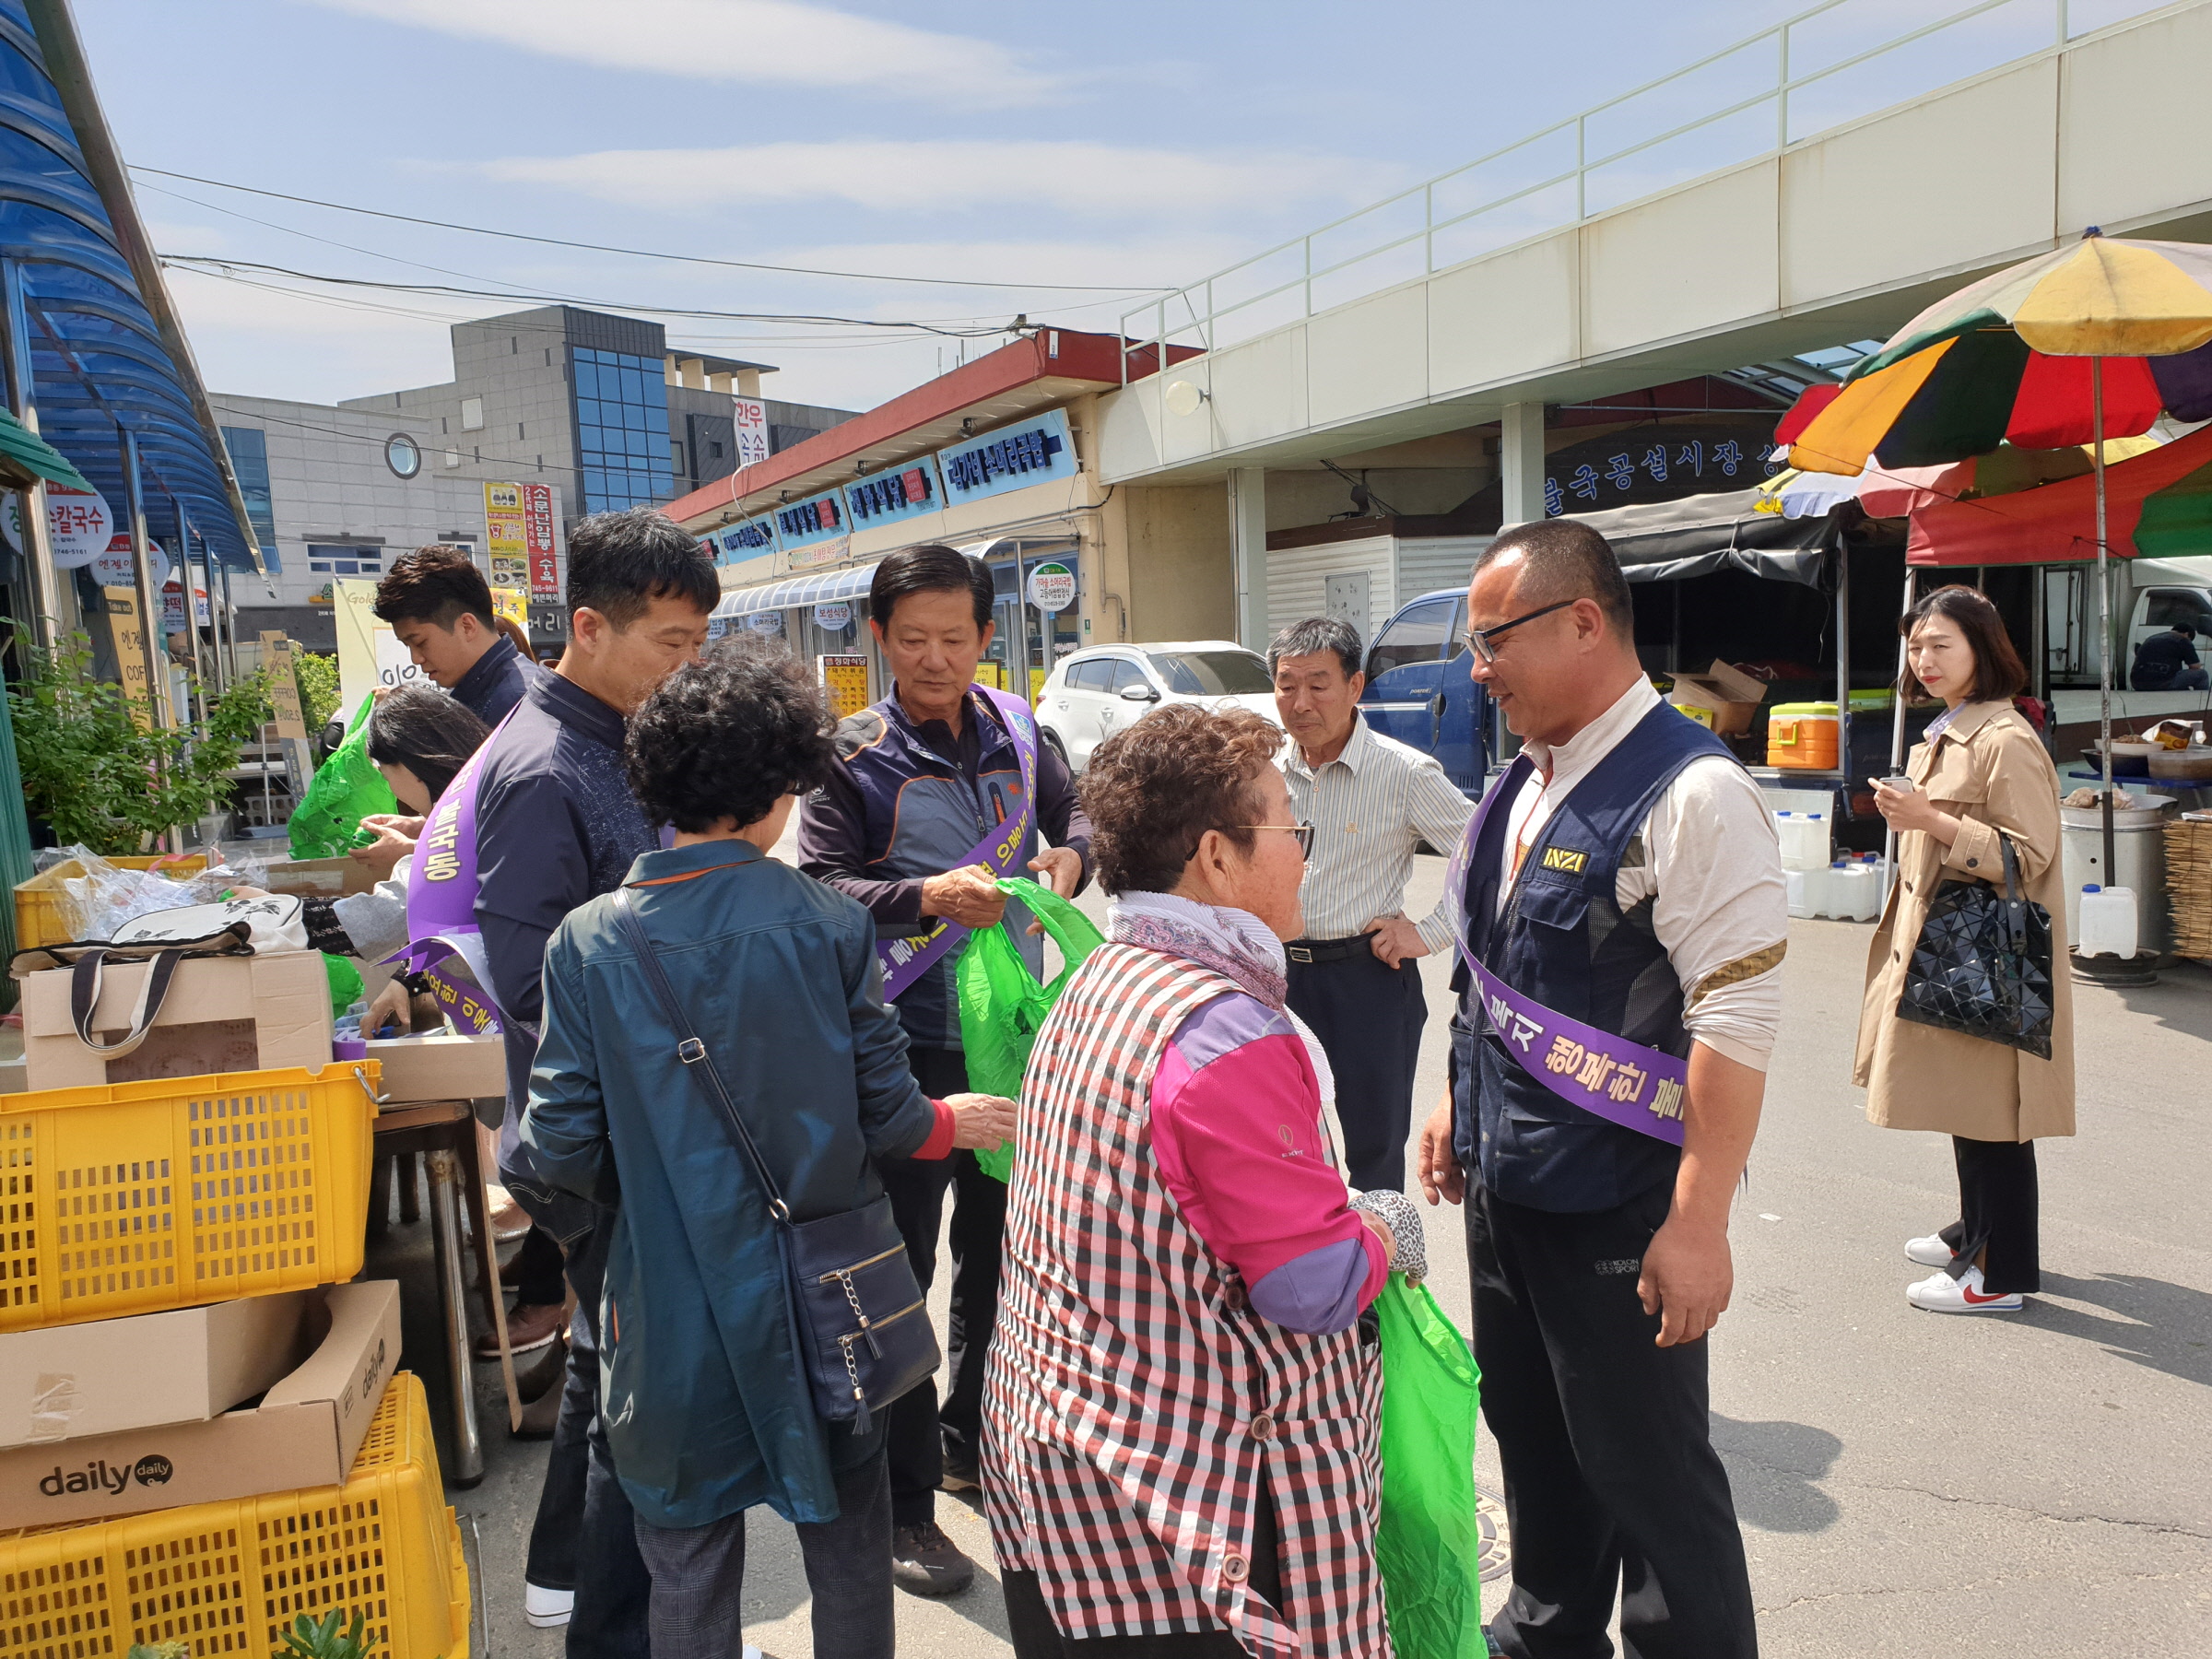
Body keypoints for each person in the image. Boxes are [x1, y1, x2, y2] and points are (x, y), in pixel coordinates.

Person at [522, 644, 1018, 1659]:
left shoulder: (587, 939)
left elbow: (557, 1145)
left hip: (665, 1305)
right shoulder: (830, 924)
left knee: (689, 1558)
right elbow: (889, 1117)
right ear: (779, 788)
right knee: (846, 1534)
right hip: (828, 1299)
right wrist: (950, 1121)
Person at [1414, 519, 1783, 1659]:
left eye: (1494, 640)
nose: (1480, 670)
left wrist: (1699, 1225)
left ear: (1583, 620)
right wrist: (1453, 1104)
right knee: (1531, 1438)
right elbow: (1496, 974)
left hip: (1619, 1205)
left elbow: (1737, 1019)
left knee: (1649, 1474)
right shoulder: (1522, 781)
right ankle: (1547, 1633)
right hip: (1509, 1192)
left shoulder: (1694, 792)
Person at [982, 702, 1421, 1658]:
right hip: (1189, 1514)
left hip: (1061, 1462)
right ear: (1217, 858)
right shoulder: (1227, 1032)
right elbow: (1313, 1285)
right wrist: (1388, 1226)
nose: (1303, 855)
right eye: (1288, 829)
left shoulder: (1100, 976)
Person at [797, 543, 1092, 1596]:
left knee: (1008, 1260)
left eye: (955, 640)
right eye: (912, 640)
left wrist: (1072, 856)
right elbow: (820, 887)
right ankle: (906, 1509)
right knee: (902, 1274)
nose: (934, 659)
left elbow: (1082, 811)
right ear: (877, 637)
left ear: (985, 637)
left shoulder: (1021, 731)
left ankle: (973, 1445)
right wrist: (922, 899)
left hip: (1014, 1040)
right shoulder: (851, 755)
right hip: (904, 1053)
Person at [476, 509, 716, 1650]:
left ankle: (585, 1589)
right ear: (587, 626)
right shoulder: (540, 769)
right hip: (614, 1136)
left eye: (697, 643)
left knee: (613, 1370)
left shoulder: (617, 736)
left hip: (647, 1123)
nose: (688, 666)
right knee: (633, 1386)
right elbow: (536, 992)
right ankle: (612, 1617)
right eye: (671, 642)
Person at [1861, 584, 2073, 1314]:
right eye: (1916, 646)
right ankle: (1975, 1232)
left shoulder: (2004, 739)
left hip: (1989, 948)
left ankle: (2001, 1272)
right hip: (1954, 943)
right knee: (1969, 1103)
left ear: (1982, 648)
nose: (1923, 659)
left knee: (1994, 1114)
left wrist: (1931, 821)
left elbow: (2032, 853)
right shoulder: (1955, 729)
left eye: (1939, 644)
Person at [1270, 616, 1474, 1191]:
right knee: (1279, 1144)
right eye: (1287, 685)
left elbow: (1488, 856)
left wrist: (1430, 933)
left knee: (1374, 1152)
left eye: (1318, 683)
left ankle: (1387, 1280)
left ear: (1354, 687)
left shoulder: (1404, 772)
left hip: (1367, 982)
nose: (1300, 702)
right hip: (1275, 978)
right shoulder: (1262, 772)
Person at [373, 544, 543, 724]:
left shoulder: (519, 703)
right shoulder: (476, 693)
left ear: (467, 626)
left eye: (420, 642)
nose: (416, 659)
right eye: (408, 646)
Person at [2129, 620, 2209, 691]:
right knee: (2202, 675)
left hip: (2137, 683)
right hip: (2163, 682)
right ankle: (2199, 704)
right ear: (2187, 634)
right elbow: (2195, 667)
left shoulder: (2151, 638)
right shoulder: (2183, 640)